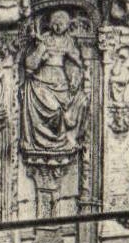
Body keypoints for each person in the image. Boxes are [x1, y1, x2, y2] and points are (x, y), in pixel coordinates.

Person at [21, 10, 88, 157]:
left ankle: (63, 139)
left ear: (67, 25)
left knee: (75, 104)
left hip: (60, 81)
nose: (58, 27)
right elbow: (30, 64)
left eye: (61, 24)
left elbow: (77, 60)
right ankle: (53, 142)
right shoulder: (45, 39)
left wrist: (79, 72)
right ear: (51, 24)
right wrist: (41, 54)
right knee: (55, 109)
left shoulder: (68, 41)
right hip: (42, 81)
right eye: (55, 24)